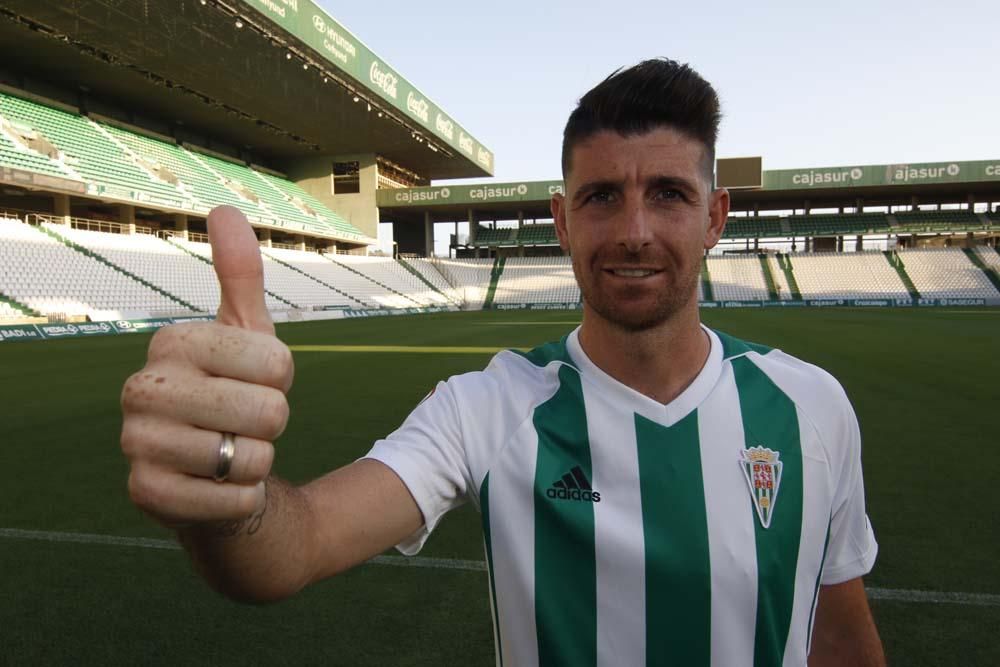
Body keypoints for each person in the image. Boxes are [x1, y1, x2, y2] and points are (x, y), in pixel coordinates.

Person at [120, 58, 884, 666]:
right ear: (561, 218)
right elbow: (298, 544)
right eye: (602, 197)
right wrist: (224, 500)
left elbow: (843, 641)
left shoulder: (810, 408)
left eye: (671, 194)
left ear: (716, 217)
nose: (636, 231)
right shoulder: (487, 407)